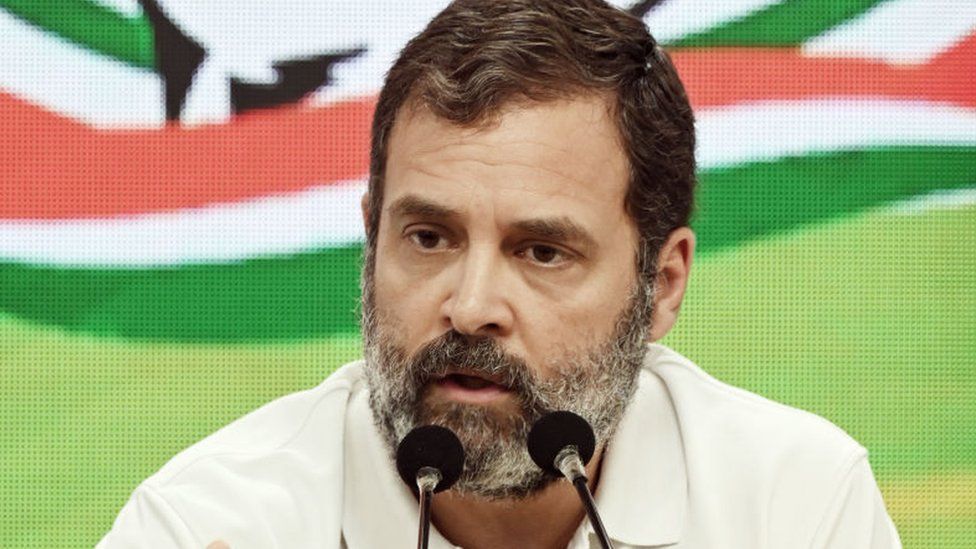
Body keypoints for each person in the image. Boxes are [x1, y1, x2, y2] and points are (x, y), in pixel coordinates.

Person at [99, 0, 901, 547]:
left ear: (662, 283)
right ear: (370, 236)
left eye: (541, 251)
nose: (472, 305)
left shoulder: (799, 505)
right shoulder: (205, 522)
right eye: (428, 236)